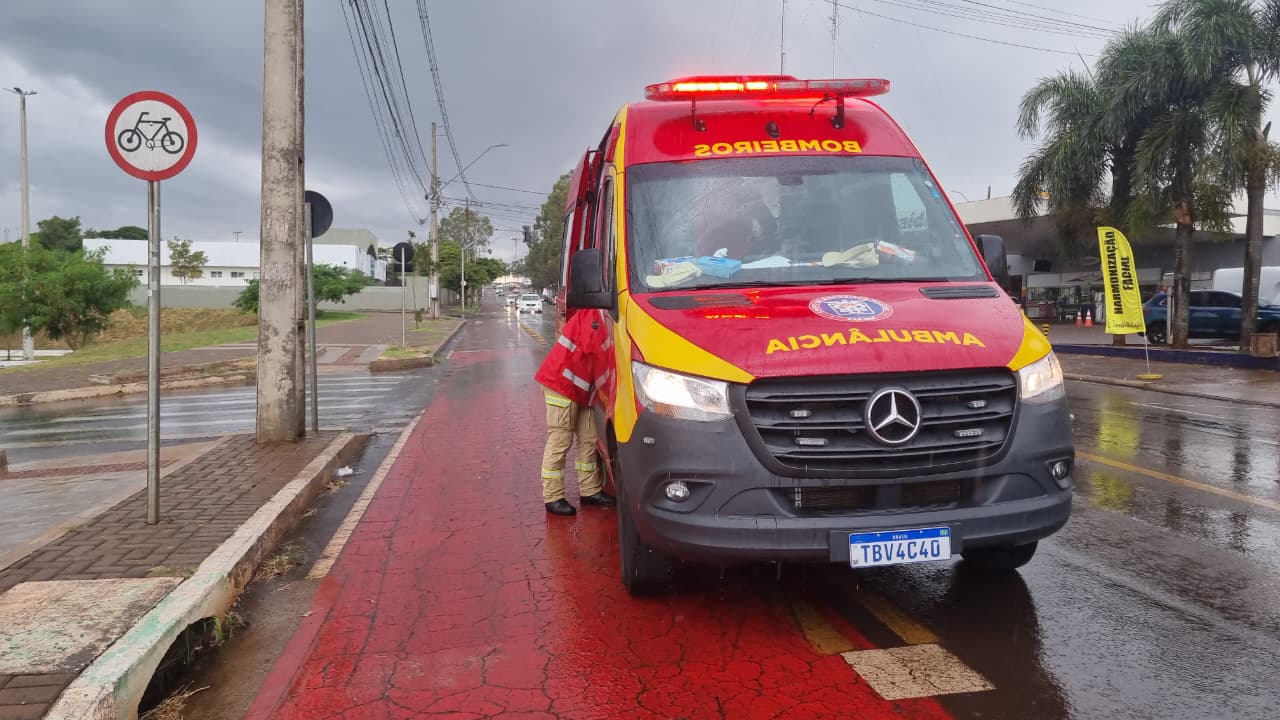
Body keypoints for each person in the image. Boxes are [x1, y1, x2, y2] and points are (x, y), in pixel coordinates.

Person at [534, 308, 617, 516]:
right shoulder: (594, 315)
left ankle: (590, 492)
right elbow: (595, 351)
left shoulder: (603, 316)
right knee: (560, 439)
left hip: (582, 389)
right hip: (561, 384)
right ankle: (552, 497)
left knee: (589, 439)